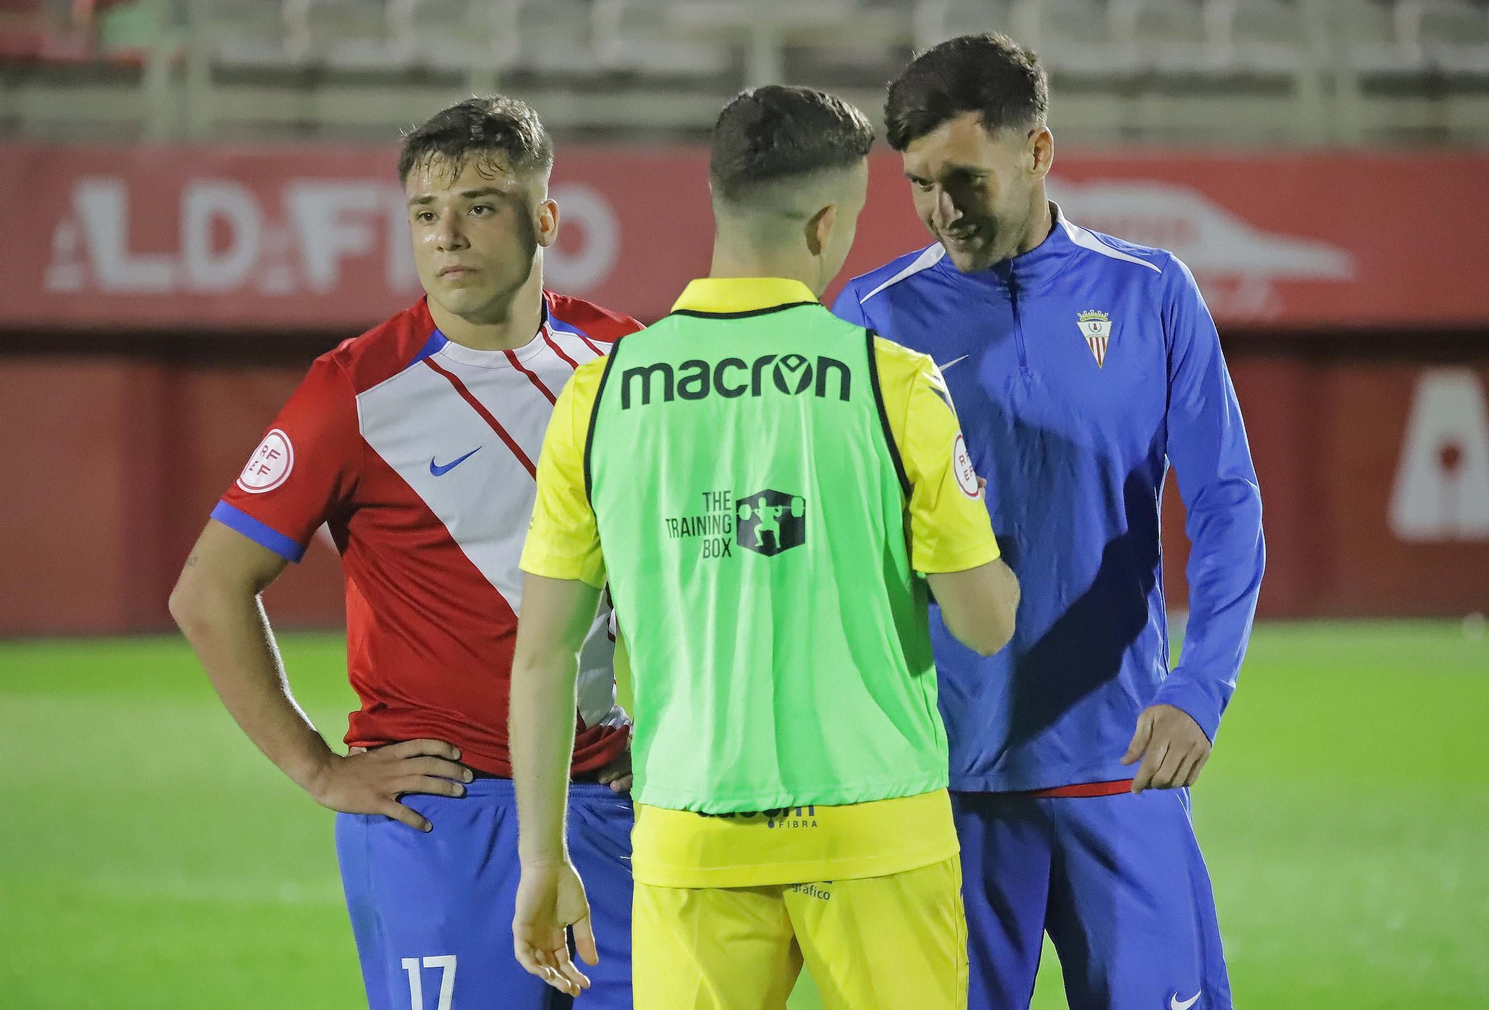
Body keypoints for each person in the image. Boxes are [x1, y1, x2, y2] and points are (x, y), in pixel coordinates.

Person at [506, 85, 1020, 1010]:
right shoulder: (894, 383)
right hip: (876, 833)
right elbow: (985, 624)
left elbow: (544, 652)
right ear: (826, 224)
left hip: (692, 832)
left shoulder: (601, 394)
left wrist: (542, 857)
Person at [168, 96, 640, 1010]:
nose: (448, 235)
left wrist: (665, 738)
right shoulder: (352, 390)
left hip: (606, 804)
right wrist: (316, 766)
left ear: (546, 219)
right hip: (443, 820)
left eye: (481, 206)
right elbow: (209, 590)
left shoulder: (626, 364)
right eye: (426, 214)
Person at [833, 34, 1267, 1010]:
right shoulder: (868, 316)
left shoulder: (1149, 293)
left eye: (966, 180)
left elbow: (1227, 503)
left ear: (1036, 154)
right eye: (918, 184)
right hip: (945, 784)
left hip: (1121, 774)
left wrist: (1200, 684)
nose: (942, 210)